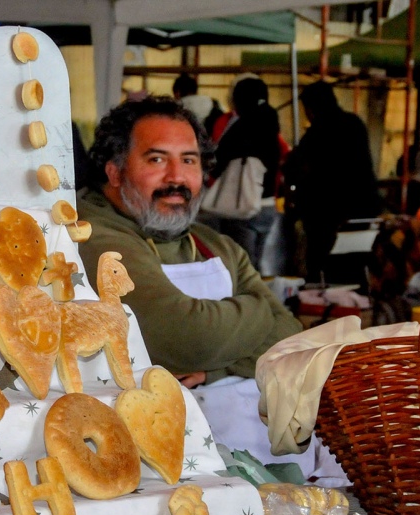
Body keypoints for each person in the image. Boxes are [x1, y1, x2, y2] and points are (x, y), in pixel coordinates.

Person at [78, 96, 327, 477]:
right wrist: (257, 314)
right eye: (157, 159)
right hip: (165, 467)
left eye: (189, 160)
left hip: (260, 461)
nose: (177, 178)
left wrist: (216, 369)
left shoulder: (216, 244)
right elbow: (185, 335)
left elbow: (292, 339)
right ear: (114, 172)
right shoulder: (97, 234)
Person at [282, 80, 382, 283]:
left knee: (323, 265)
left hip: (328, 216)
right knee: (355, 263)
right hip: (363, 210)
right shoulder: (355, 123)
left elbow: (295, 167)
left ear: (310, 109)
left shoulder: (318, 132)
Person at [202, 76, 283, 268]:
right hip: (268, 206)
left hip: (242, 206)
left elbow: (218, 160)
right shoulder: (272, 124)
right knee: (260, 267)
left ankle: (247, 298)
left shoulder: (241, 125)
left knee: (241, 268)